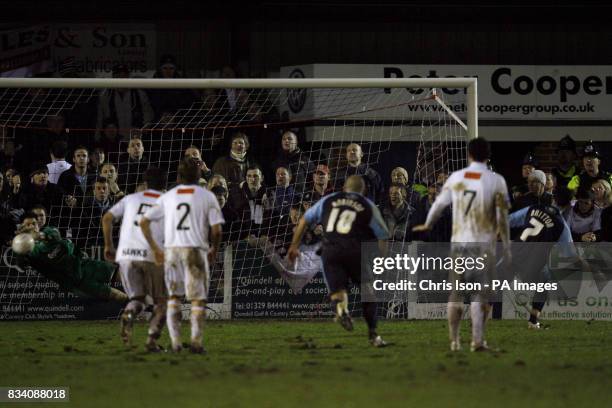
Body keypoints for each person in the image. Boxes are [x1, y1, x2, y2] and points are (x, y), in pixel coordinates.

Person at [413, 137, 511, 352]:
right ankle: (477, 341)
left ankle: (455, 341)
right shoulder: (496, 180)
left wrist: (427, 224)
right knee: (481, 293)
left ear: (469, 154)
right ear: (488, 155)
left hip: (459, 244)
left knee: (456, 292)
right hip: (483, 246)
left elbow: (439, 204)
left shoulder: (457, 177)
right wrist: (508, 245)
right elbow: (502, 217)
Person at [288, 175, 390, 348]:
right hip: (354, 250)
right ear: (363, 191)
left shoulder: (328, 199)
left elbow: (305, 219)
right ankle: (373, 335)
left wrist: (294, 246)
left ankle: (342, 310)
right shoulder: (367, 204)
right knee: (368, 291)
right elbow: (383, 234)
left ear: (344, 188)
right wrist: (382, 259)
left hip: (330, 251)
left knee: (338, 291)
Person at [140, 160, 224, 354]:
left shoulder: (167, 197)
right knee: (197, 299)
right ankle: (195, 341)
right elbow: (217, 231)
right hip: (195, 249)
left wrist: (156, 248)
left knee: (174, 298)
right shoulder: (207, 196)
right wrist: (214, 250)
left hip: (172, 251)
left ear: (178, 177)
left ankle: (176, 343)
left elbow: (144, 222)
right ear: (198, 176)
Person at [102, 167, 168, 351]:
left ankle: (128, 314)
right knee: (162, 302)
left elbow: (107, 218)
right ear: (164, 184)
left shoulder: (130, 198)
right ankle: (152, 342)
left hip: (126, 255)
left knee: (138, 298)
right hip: (151, 255)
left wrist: (108, 245)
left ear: (146, 183)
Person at [14, 213, 128, 302]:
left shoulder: (49, 231)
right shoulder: (32, 252)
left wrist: (39, 236)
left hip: (85, 264)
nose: (31, 227)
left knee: (123, 276)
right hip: (76, 281)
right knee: (116, 296)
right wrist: (20, 246)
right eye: (27, 225)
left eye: (33, 223)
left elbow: (55, 236)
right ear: (22, 228)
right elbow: (22, 264)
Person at [509, 203, 576, 329]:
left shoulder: (533, 207)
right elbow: (569, 252)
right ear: (567, 205)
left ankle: (479, 316)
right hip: (533, 259)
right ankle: (533, 321)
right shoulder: (561, 224)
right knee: (544, 284)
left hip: (515, 250)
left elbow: (510, 220)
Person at [96, 63, 154, 139]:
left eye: (124, 76)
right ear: (113, 77)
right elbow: (100, 118)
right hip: (113, 139)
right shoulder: (106, 95)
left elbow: (148, 113)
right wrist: (98, 137)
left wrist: (144, 128)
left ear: (128, 77)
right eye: (118, 76)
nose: (121, 79)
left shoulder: (138, 93)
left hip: (135, 138)